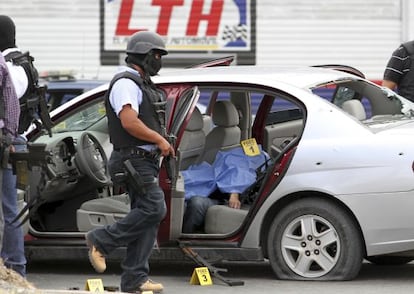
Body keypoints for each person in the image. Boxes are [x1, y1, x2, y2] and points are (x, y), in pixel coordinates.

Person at [85, 31, 174, 293]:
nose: (159, 60)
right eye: (156, 55)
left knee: (147, 216)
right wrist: (159, 139)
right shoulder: (126, 83)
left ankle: (135, 279)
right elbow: (129, 121)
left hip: (142, 160)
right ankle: (100, 240)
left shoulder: (142, 84)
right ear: (143, 56)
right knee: (155, 209)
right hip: (132, 159)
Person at [0, 15, 28, 278]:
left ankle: (13, 267)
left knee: (9, 209)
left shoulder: (7, 65)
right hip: (16, 142)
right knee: (12, 208)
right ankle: (14, 267)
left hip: (8, 143)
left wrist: (8, 136)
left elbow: (11, 105)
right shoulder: (24, 63)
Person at [0, 54, 21, 270]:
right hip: (5, 139)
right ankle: (16, 268)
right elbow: (13, 106)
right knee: (9, 209)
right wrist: (9, 136)